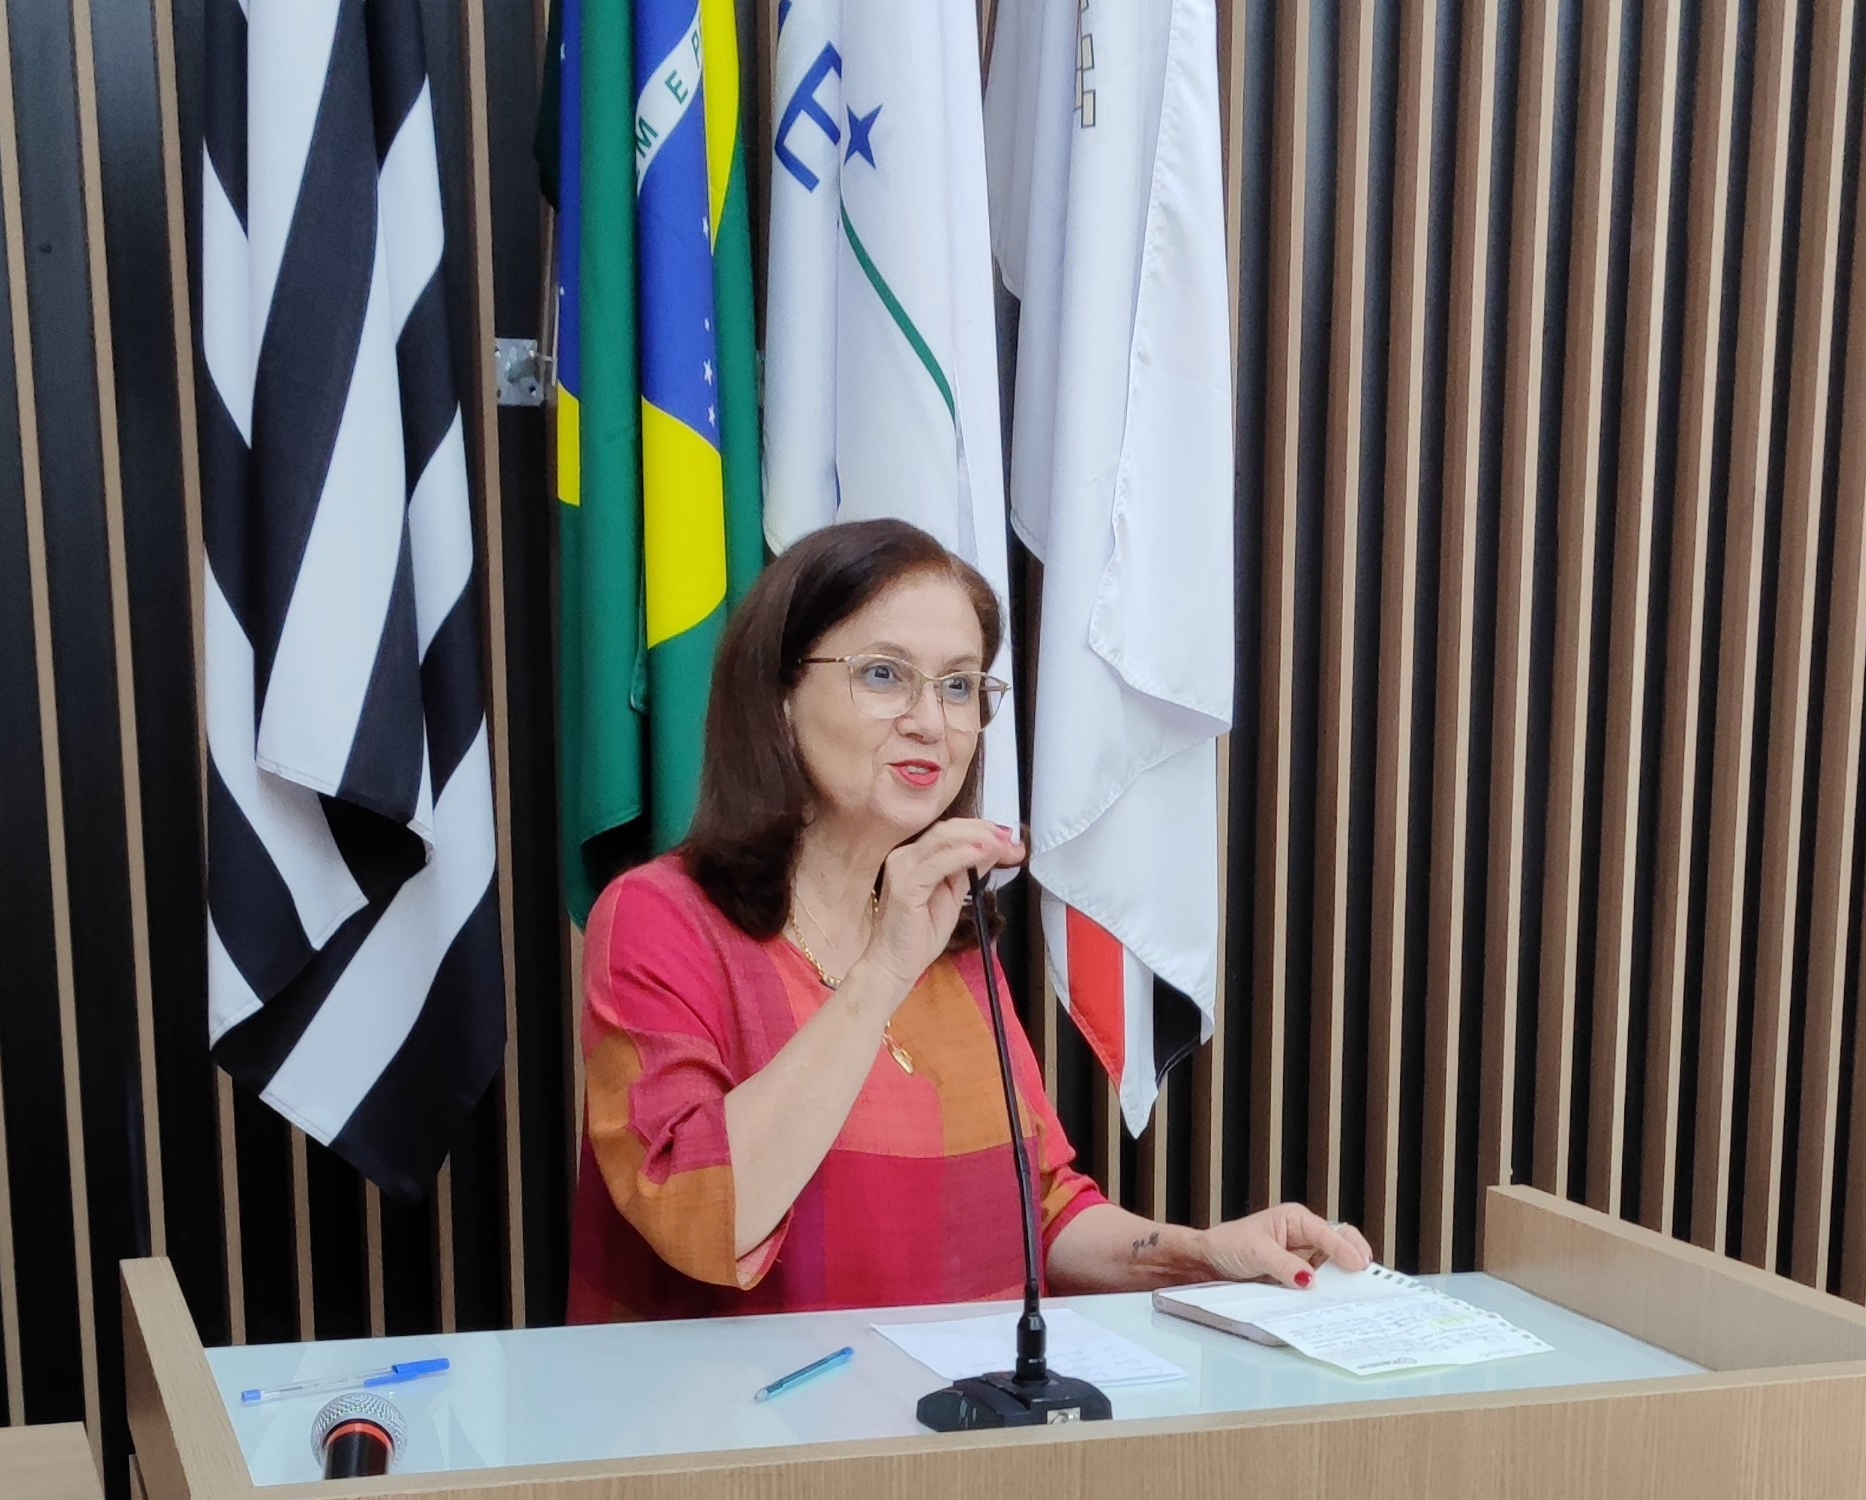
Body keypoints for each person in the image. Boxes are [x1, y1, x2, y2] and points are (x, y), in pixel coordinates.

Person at [569, 517, 1371, 1322]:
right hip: (757, 1402)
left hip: (954, 1398)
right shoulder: (658, 919)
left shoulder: (946, 932)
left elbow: (1043, 1208)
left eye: (958, 685)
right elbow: (699, 1214)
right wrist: (883, 973)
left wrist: (1197, 1254)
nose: (933, 721)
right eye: (884, 675)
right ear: (777, 699)